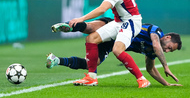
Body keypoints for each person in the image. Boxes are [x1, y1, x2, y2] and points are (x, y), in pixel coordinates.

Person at [66, 0, 149, 87]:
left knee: (117, 50)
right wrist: (131, 3)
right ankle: (91, 77)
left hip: (131, 22)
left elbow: (102, 9)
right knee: (91, 38)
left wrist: (81, 18)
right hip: (119, 21)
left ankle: (142, 79)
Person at [47, 18, 182, 87]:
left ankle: (56, 60)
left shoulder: (152, 51)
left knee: (91, 64)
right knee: (89, 28)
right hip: (116, 26)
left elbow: (150, 68)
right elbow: (157, 46)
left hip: (111, 43)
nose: (167, 50)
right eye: (169, 47)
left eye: (170, 51)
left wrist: (167, 84)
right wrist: (165, 66)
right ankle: (67, 26)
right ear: (167, 37)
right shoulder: (156, 32)